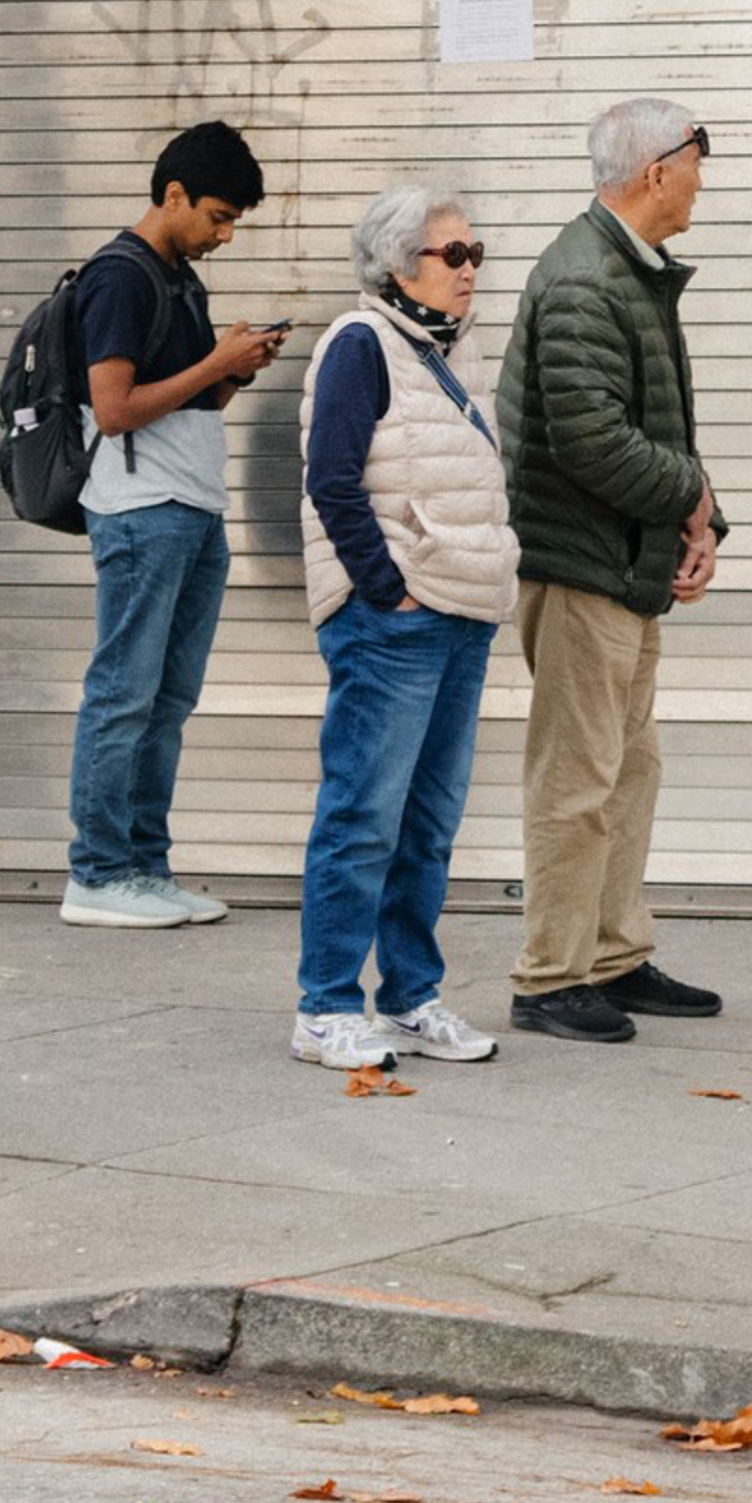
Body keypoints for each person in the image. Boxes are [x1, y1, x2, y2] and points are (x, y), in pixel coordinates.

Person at [497, 100, 728, 1043]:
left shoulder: (627, 270)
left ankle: (613, 955)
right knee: (577, 778)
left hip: (623, 564)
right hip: (580, 566)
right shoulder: (587, 278)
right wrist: (693, 500)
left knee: (629, 771)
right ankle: (550, 976)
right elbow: (594, 441)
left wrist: (697, 519)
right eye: (700, 160)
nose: (705, 178)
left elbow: (648, 428)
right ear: (657, 170)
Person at [289, 187, 518, 1073]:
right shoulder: (360, 345)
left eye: (474, 252)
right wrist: (387, 590)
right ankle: (325, 1005)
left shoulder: (456, 353)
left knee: (428, 822)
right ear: (396, 266)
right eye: (449, 255)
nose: (468, 271)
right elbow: (331, 481)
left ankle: (413, 995)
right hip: (397, 623)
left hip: (461, 613)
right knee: (362, 815)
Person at [58, 121, 289, 930]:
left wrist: (234, 371)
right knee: (123, 694)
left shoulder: (179, 277)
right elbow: (115, 409)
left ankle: (145, 867)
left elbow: (188, 398)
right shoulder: (121, 277)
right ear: (174, 195)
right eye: (218, 216)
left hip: (192, 507)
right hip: (139, 512)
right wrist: (216, 363)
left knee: (169, 698)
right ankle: (96, 871)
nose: (223, 235)